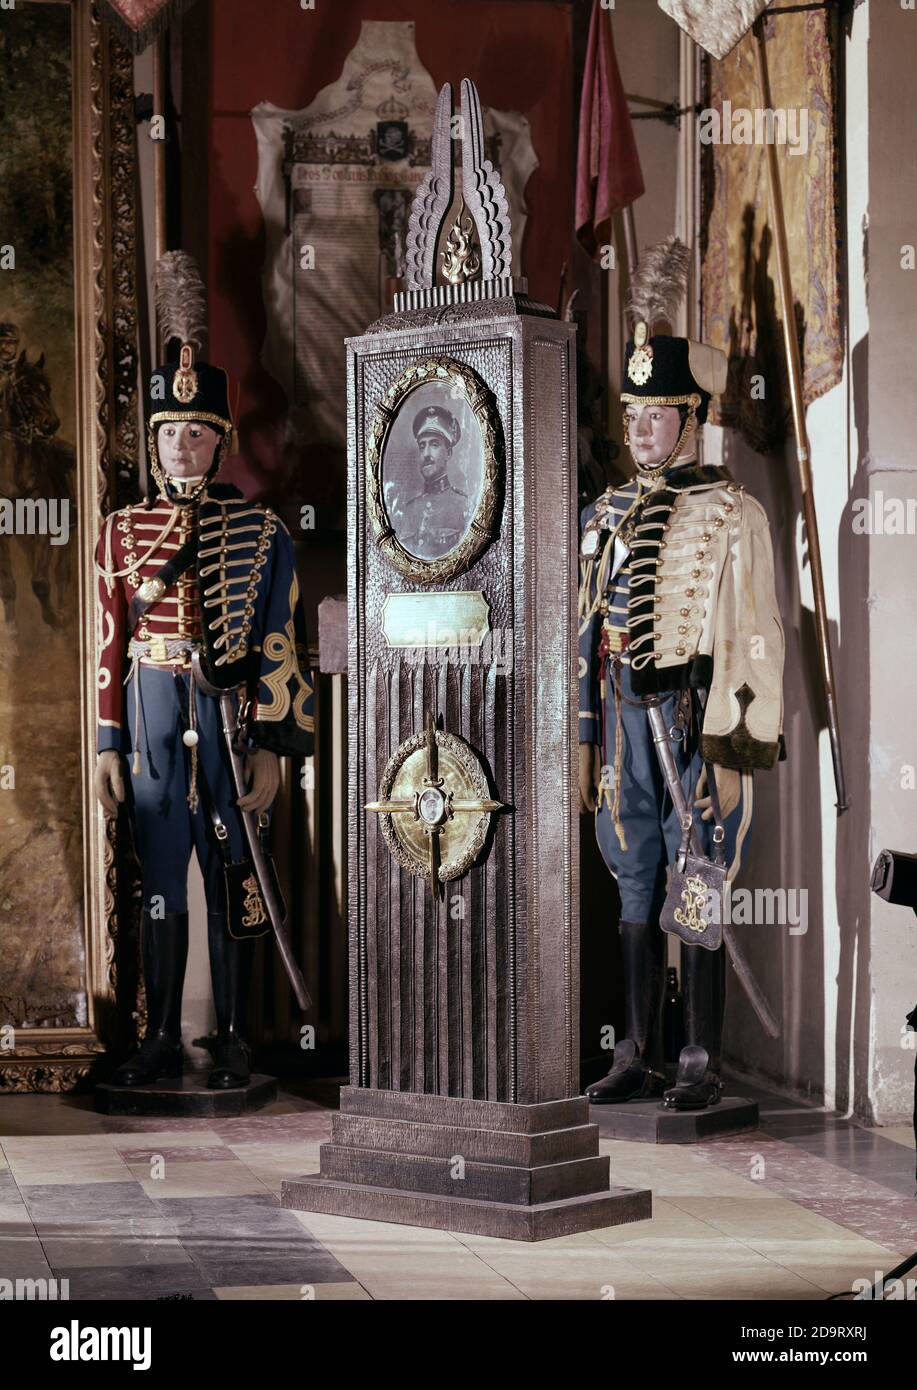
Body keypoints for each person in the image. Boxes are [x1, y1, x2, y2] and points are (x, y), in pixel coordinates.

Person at [94, 252, 314, 1090]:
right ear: (151, 443)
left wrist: (272, 745)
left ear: (219, 442)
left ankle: (231, 1034)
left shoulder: (262, 534)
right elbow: (110, 644)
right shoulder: (121, 534)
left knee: (234, 865)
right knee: (159, 869)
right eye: (168, 433)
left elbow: (277, 646)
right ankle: (156, 1036)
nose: (182, 445)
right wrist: (110, 742)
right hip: (152, 704)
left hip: (228, 715)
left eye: (196, 432)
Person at [579, 237, 784, 1110]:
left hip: (694, 715)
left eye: (654, 416)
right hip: (622, 713)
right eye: (631, 416)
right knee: (630, 868)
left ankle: (698, 1054)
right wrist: (584, 737)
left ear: (690, 418)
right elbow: (583, 635)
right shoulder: (603, 514)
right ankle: (635, 1049)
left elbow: (754, 638)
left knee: (697, 869)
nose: (638, 429)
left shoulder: (732, 514)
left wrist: (732, 750)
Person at [398, 404, 469, 558]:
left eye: (434, 445)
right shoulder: (408, 510)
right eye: (422, 446)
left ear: (448, 453)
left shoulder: (464, 505)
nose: (426, 454)